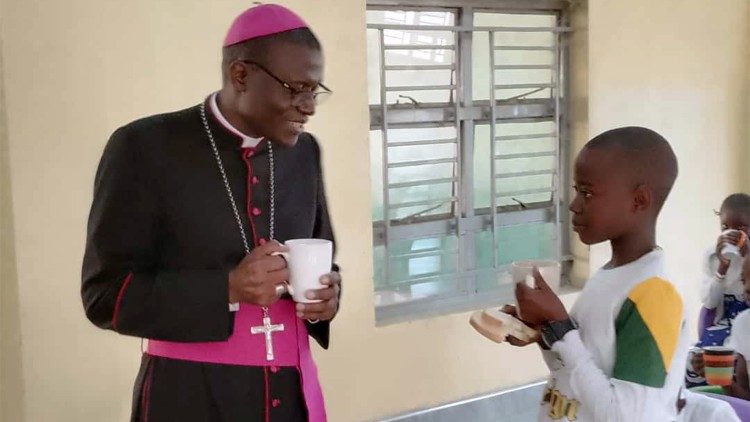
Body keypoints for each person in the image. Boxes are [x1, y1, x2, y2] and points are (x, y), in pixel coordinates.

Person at [81, 4, 339, 421]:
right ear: (241, 76)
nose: (308, 106)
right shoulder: (144, 148)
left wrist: (329, 296)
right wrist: (228, 289)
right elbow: (104, 297)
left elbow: (324, 255)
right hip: (189, 396)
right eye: (295, 88)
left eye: (315, 90)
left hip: (290, 395)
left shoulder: (304, 152)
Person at [502, 127, 689, 421]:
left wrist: (561, 328)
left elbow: (625, 417)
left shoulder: (653, 296)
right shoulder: (610, 276)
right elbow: (577, 375)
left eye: (588, 193)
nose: (575, 205)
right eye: (577, 191)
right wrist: (545, 334)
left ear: (638, 201)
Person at [686, 194, 750, 386]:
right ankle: (711, 399)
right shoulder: (712, 257)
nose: (731, 232)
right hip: (726, 323)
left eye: (740, 228)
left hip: (746, 323)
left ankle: (733, 392)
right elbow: (710, 302)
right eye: (725, 227)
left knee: (731, 361)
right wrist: (721, 268)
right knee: (693, 358)